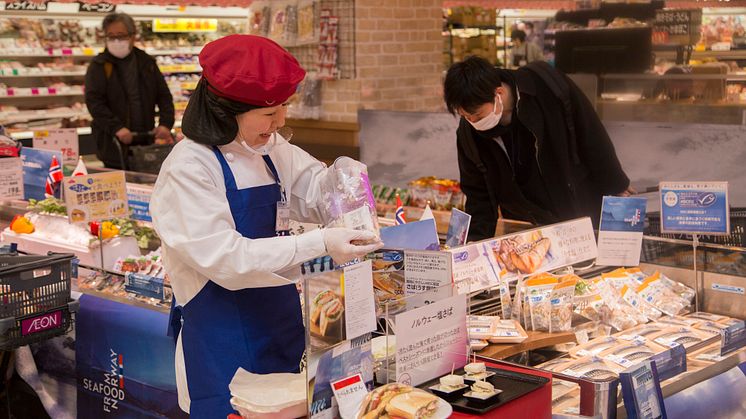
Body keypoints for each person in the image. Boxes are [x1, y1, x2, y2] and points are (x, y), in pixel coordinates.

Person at [149, 35, 382, 417]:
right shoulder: (189, 167)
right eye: (269, 113)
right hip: (220, 339)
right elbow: (229, 259)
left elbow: (312, 189)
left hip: (279, 325)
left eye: (284, 108)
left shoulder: (268, 147)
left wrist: (344, 185)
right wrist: (321, 242)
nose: (281, 122)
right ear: (226, 110)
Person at [443, 56, 632, 242]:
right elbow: (477, 194)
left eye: (477, 115)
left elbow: (590, 134)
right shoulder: (469, 133)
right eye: (465, 116)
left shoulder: (544, 86)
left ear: (498, 93)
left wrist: (616, 185)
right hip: (525, 228)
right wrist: (471, 244)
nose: (473, 122)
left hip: (577, 206)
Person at [85, 12, 174, 169]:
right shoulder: (99, 65)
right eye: (110, 36)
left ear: (133, 36)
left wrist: (166, 123)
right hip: (112, 143)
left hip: (146, 140)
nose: (116, 40)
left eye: (120, 35)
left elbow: (164, 96)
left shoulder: (147, 63)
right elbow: (94, 103)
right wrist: (116, 128)